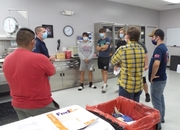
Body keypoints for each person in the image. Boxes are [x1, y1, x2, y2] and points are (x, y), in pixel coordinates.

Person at [3, 28, 59, 120]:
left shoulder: (7, 60)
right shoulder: (40, 58)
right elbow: (52, 72)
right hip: (40, 105)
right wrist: (48, 62)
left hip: (18, 105)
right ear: (33, 42)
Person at [115, 28, 150, 102]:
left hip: (128, 84)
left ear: (127, 36)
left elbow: (114, 60)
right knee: (135, 105)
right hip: (137, 84)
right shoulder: (140, 48)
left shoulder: (124, 48)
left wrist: (146, 65)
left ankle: (147, 94)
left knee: (126, 107)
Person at [148, 29, 169, 130]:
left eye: (153, 37)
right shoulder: (165, 48)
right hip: (163, 78)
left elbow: (156, 64)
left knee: (156, 101)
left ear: (158, 37)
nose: (152, 39)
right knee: (160, 98)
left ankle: (158, 124)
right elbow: (166, 60)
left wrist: (152, 75)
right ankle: (162, 117)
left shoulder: (159, 49)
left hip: (158, 80)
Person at [96, 28, 111, 93]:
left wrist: (101, 48)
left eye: (102, 32)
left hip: (105, 57)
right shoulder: (99, 40)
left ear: (105, 33)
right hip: (100, 57)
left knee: (105, 71)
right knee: (102, 70)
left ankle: (104, 86)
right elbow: (97, 49)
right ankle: (104, 83)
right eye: (100, 33)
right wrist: (102, 48)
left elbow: (106, 47)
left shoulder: (108, 39)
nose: (101, 34)